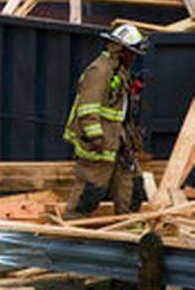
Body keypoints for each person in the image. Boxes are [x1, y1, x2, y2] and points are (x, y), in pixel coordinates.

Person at [62, 23, 148, 218]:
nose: (133, 58)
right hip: (100, 144)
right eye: (131, 53)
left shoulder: (119, 71)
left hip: (120, 142)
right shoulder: (99, 71)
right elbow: (87, 108)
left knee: (132, 187)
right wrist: (96, 137)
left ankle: (129, 227)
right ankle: (72, 227)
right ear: (121, 50)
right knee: (91, 191)